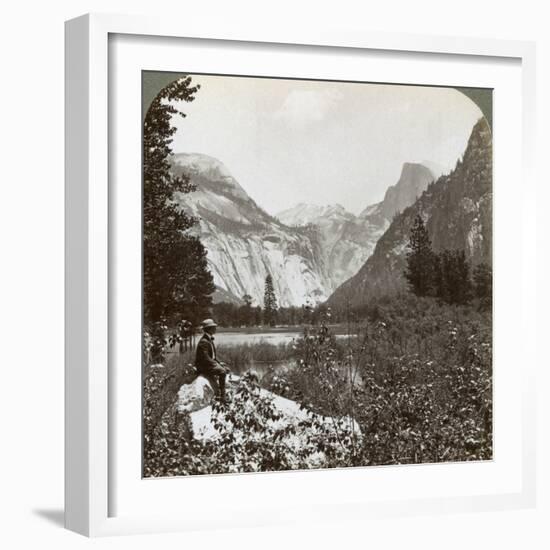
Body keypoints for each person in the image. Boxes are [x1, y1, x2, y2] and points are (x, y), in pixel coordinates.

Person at [195, 319, 231, 402]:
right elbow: (205, 358)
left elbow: (213, 356)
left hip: (208, 364)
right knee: (222, 372)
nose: (215, 329)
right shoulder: (204, 341)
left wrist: (219, 363)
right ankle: (223, 396)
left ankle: (219, 391)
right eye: (214, 327)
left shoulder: (208, 339)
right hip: (203, 366)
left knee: (226, 368)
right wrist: (217, 365)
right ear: (209, 329)